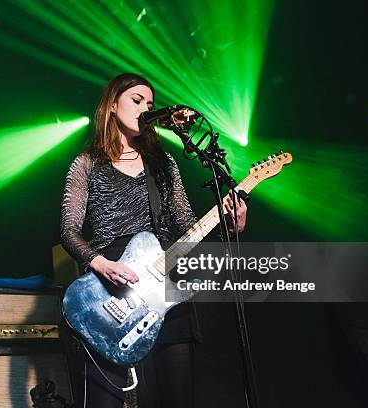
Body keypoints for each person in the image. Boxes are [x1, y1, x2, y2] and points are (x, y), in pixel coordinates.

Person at [60, 73, 247, 408]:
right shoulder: (87, 163)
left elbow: (187, 225)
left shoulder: (163, 163)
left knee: (178, 398)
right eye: (136, 100)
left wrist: (229, 226)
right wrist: (101, 264)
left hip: (164, 284)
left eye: (150, 104)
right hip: (109, 290)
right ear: (113, 105)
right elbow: (69, 231)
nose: (145, 108)